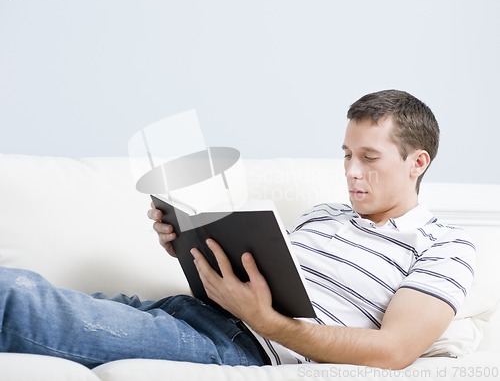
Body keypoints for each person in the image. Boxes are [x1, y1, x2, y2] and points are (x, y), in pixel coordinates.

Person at [0, 89, 475, 370]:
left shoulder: (444, 246)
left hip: (240, 345)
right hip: (186, 310)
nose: (351, 171)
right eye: (347, 154)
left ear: (417, 163)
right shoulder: (323, 214)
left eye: (369, 158)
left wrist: (268, 322)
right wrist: (188, 243)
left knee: (20, 300)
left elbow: (393, 352)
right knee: (30, 291)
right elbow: (258, 273)